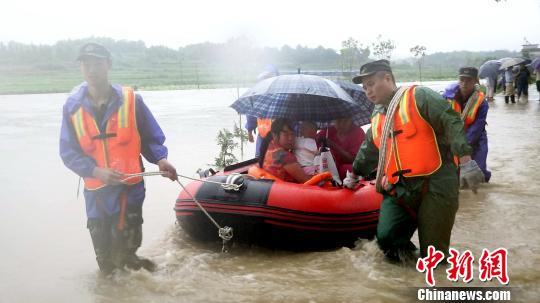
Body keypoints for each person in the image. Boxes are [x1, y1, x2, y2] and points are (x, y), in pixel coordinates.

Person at [344, 60, 484, 262]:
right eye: (364, 87)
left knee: (434, 255)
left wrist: (466, 160)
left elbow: (450, 120)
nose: (368, 91)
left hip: (436, 184)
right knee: (387, 239)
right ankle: (405, 279)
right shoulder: (376, 116)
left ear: (388, 78)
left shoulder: (419, 96)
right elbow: (369, 149)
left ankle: (431, 285)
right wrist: (354, 174)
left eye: (372, 84)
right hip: (399, 189)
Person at [59, 43, 177, 274]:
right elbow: (68, 152)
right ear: (81, 68)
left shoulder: (132, 100)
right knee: (104, 258)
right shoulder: (72, 107)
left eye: (97, 63)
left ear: (108, 65)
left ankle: (133, 285)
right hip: (96, 194)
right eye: (86, 64)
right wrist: (95, 171)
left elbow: (150, 138)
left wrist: (161, 160)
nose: (92, 69)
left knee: (126, 249)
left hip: (129, 189)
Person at [442, 67, 491, 182]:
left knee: (479, 170)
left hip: (476, 137)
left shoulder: (482, 103)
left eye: (468, 80)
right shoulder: (447, 97)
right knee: (453, 171)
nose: (464, 84)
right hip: (453, 137)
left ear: (475, 81)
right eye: (462, 80)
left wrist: (461, 147)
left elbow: (477, 128)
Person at [259, 119, 312, 183]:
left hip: (273, 188)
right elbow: (307, 181)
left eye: (292, 134)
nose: (290, 138)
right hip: (287, 191)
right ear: (275, 135)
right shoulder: (285, 156)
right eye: (286, 135)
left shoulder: (269, 147)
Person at [245, 65, 280, 158]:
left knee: (277, 157)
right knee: (260, 156)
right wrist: (249, 131)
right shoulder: (257, 95)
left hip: (278, 136)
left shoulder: (281, 95)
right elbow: (251, 115)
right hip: (263, 134)